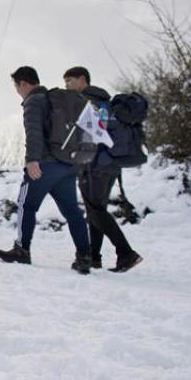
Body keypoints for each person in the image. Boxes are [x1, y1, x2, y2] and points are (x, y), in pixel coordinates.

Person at [0, 66, 93, 274]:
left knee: (26, 204)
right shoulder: (56, 99)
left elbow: (34, 132)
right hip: (68, 165)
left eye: (16, 87)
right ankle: (85, 255)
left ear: (23, 83)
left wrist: (32, 160)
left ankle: (22, 250)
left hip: (45, 164)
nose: (17, 92)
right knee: (72, 211)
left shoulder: (34, 101)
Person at [63, 66, 143, 272]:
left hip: (95, 164)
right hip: (109, 164)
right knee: (95, 210)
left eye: (69, 81)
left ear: (82, 79)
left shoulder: (89, 102)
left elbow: (90, 136)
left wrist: (77, 158)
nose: (67, 86)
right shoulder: (104, 101)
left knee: (95, 210)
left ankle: (126, 253)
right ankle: (94, 257)